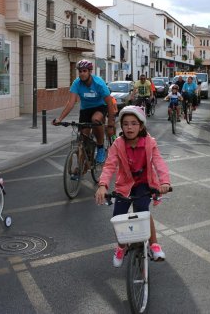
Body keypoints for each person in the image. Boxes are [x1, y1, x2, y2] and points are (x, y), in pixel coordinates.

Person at [95, 105, 171, 267]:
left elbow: (159, 162)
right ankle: (121, 246)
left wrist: (164, 182)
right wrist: (102, 185)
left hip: (144, 183)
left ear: (141, 126)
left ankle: (154, 244)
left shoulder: (150, 143)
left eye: (134, 123)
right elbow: (109, 166)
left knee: (143, 210)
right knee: (118, 216)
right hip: (125, 185)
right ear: (121, 126)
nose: (129, 127)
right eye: (126, 124)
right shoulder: (118, 144)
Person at [52, 59, 116, 163]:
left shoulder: (99, 83)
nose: (82, 73)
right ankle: (81, 167)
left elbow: (110, 103)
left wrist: (110, 124)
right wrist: (60, 119)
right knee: (83, 139)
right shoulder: (76, 83)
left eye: (84, 71)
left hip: (100, 107)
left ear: (90, 71)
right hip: (85, 109)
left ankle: (100, 148)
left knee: (95, 120)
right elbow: (71, 103)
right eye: (80, 71)